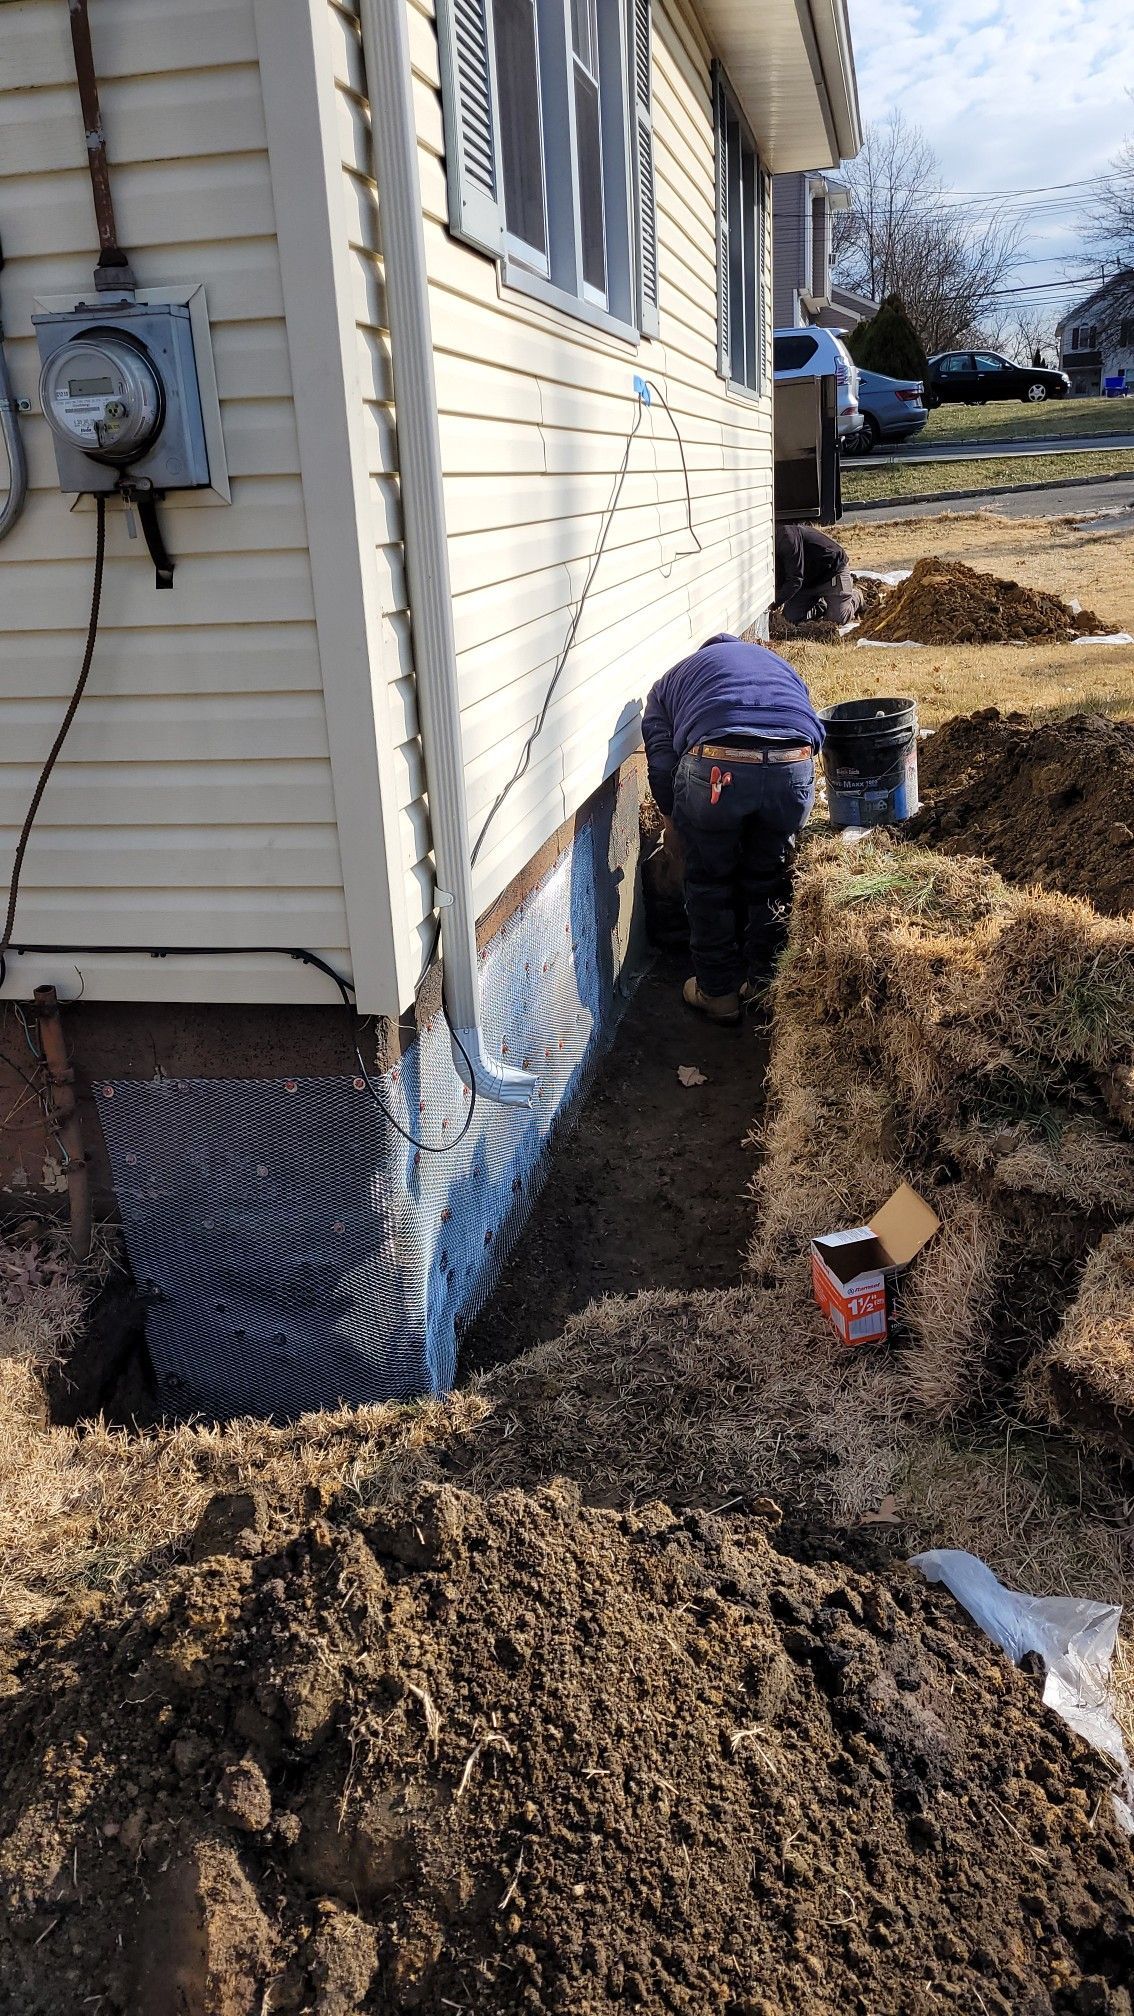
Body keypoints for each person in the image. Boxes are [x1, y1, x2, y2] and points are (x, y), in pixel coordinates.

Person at [642, 633, 824, 1025]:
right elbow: (810, 727)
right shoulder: (779, 666)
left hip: (716, 768)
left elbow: (660, 764)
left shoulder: (668, 684)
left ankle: (718, 993)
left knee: (708, 879)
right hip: (793, 762)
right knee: (771, 875)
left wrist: (678, 826)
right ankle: (764, 984)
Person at [774, 522, 862, 627]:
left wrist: (775, 603)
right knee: (790, 619)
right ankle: (822, 605)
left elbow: (795, 579)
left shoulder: (787, 540)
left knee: (837, 620)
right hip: (807, 583)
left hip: (832, 573)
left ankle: (857, 597)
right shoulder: (773, 548)